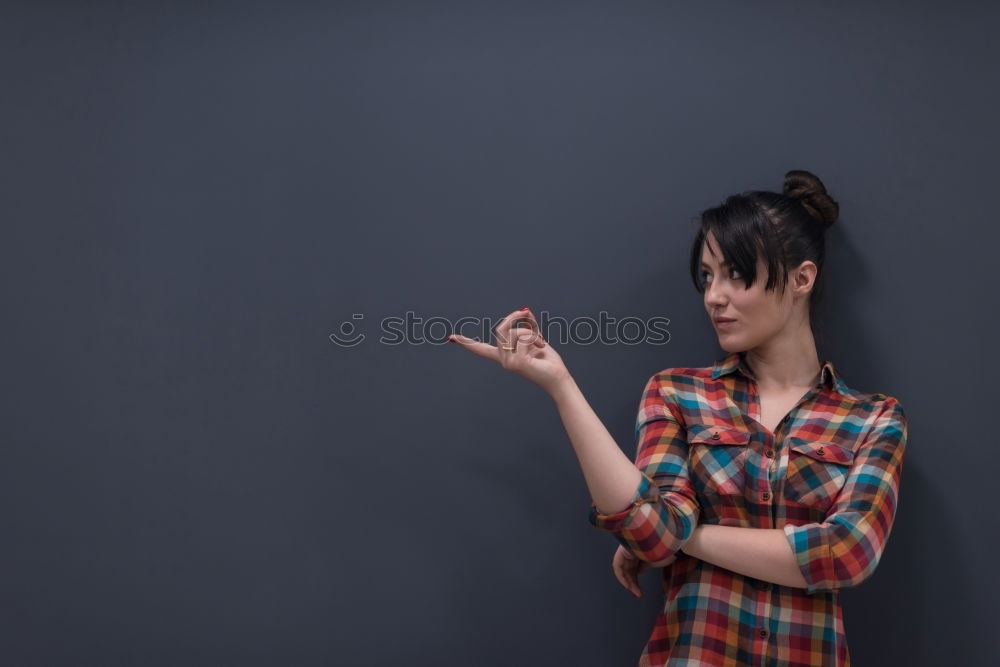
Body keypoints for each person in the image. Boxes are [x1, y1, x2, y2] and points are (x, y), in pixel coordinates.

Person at [448, 169, 908, 667]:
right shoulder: (678, 393)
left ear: (801, 278)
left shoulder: (874, 418)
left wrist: (685, 537)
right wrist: (561, 386)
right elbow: (650, 532)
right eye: (707, 276)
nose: (713, 295)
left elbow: (845, 554)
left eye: (735, 273)